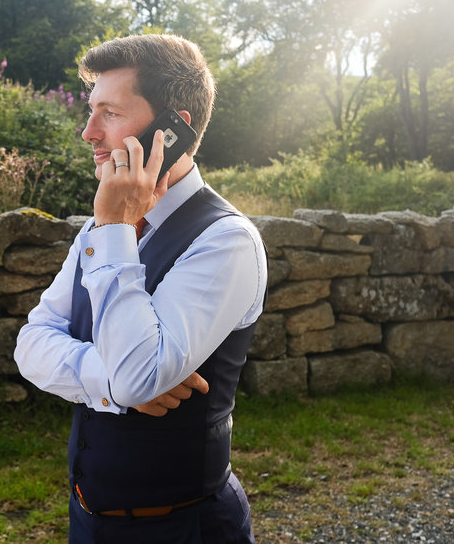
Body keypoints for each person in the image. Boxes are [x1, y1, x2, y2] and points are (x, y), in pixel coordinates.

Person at [14, 34, 267, 543]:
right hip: (88, 519)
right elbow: (31, 343)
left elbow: (138, 376)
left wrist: (113, 230)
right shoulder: (98, 229)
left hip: (183, 527)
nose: (88, 132)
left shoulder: (227, 240)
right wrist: (110, 382)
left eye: (109, 112)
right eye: (91, 111)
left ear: (173, 128)